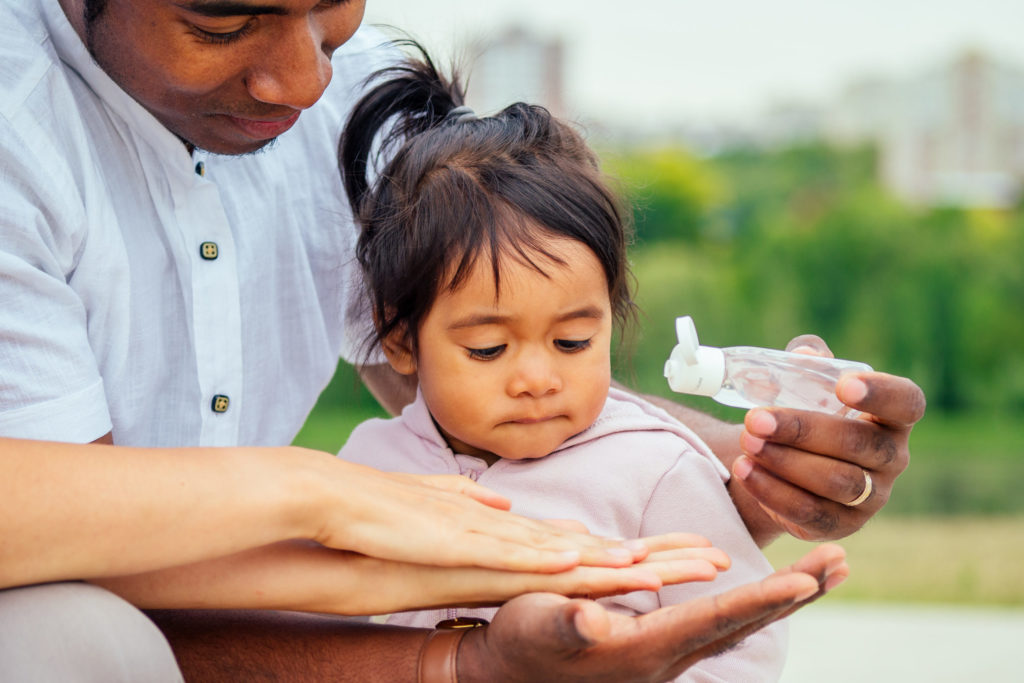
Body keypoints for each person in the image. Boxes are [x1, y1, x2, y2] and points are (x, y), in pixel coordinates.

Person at [0, 0, 922, 680]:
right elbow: (82, 546)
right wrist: (442, 644)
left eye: (328, 8)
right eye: (222, 20)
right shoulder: (18, 124)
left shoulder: (356, 108)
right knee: (87, 643)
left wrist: (732, 462)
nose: (305, 79)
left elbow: (484, 371)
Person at [336, 46, 792, 680]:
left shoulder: (656, 471)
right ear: (401, 338)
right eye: (488, 349)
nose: (537, 380)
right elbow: (318, 636)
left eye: (573, 342)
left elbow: (745, 646)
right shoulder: (367, 467)